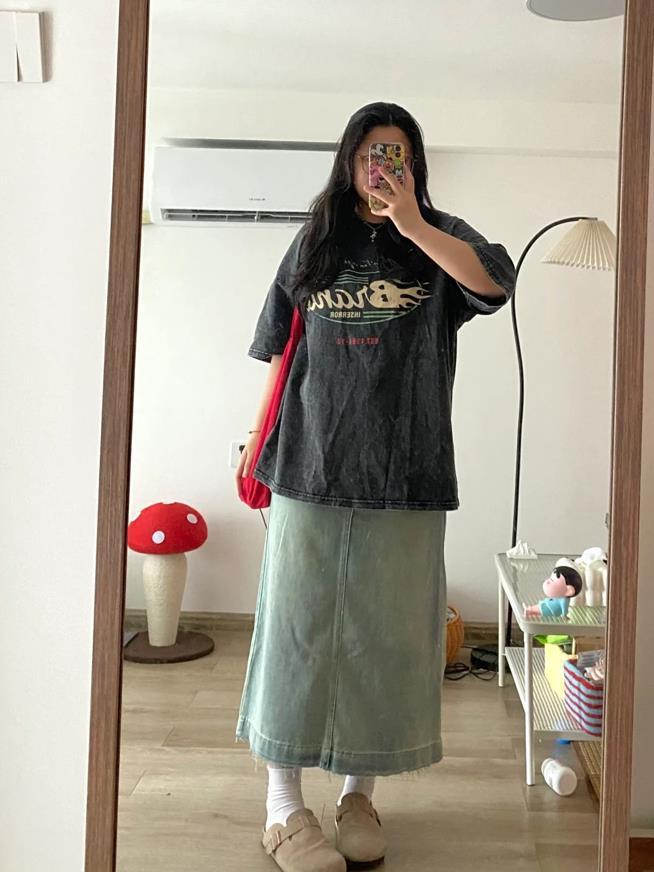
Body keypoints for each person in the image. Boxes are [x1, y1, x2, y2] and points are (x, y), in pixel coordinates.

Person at [234, 101, 516, 871]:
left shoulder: (442, 236)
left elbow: (495, 284)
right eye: (369, 153)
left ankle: (359, 795)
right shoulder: (315, 241)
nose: (381, 166)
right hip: (308, 466)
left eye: (396, 153)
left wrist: (413, 225)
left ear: (414, 165)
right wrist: (254, 440)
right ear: (349, 162)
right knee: (294, 633)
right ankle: (283, 806)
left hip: (408, 472)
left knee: (386, 642)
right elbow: (279, 349)